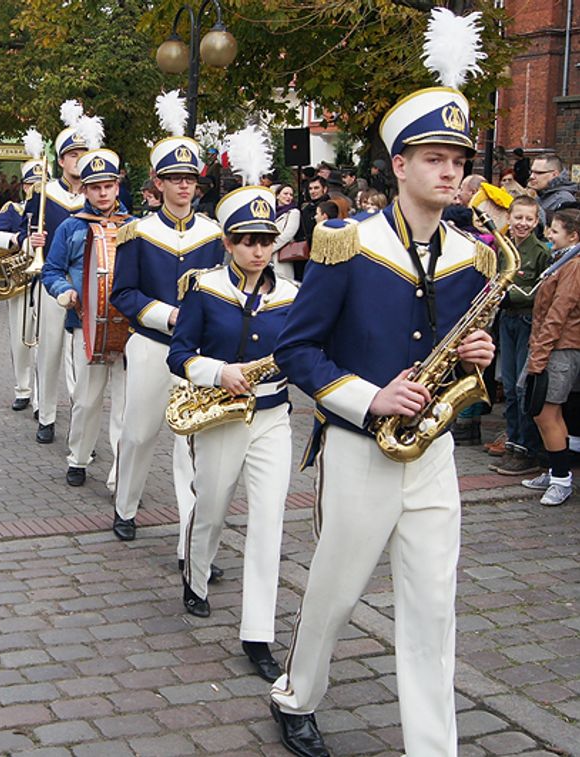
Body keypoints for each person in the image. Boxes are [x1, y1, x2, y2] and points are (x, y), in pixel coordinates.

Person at [269, 16, 496, 752]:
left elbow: (458, 354)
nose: (450, 172)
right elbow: (295, 350)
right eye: (434, 158)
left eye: (457, 160)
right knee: (334, 594)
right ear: (399, 165)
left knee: (434, 606)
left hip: (432, 455)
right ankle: (297, 693)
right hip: (360, 448)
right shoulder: (348, 243)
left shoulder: (473, 256)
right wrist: (369, 398)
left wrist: (477, 357)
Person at [167, 151, 299, 683]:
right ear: (227, 243)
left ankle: (258, 634)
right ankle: (195, 579)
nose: (258, 250)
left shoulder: (293, 293)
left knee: (269, 522)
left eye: (266, 240)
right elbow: (180, 353)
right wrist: (217, 372)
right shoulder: (205, 288)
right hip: (220, 415)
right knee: (214, 507)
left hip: (272, 417)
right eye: (247, 240)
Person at [110, 96, 225, 550]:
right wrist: (170, 313)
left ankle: (189, 543)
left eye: (189, 179)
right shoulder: (137, 233)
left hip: (198, 355)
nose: (183, 186)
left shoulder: (215, 235)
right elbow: (123, 293)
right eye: (174, 178)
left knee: (192, 447)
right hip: (152, 342)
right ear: (157, 183)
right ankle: (125, 506)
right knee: (139, 433)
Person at [41, 145, 132, 497]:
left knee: (126, 403)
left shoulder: (135, 227)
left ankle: (121, 472)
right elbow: (52, 270)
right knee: (87, 398)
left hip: (127, 327)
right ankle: (78, 457)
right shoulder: (70, 227)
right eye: (95, 187)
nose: (103, 193)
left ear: (118, 185)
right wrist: (65, 292)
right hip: (86, 325)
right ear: (84, 190)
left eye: (109, 185)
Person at [16, 106, 91, 444]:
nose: (78, 160)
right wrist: (32, 242)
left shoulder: (98, 195)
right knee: (49, 352)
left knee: (84, 358)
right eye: (72, 155)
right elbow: (26, 231)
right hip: (52, 282)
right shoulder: (44, 195)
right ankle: (46, 415)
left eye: (83, 154)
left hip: (89, 284)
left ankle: (80, 421)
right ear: (61, 161)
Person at [522, 208, 580, 506]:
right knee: (542, 412)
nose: (548, 235)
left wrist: (539, 356)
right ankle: (554, 469)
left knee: (547, 412)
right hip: (549, 346)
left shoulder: (573, 266)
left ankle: (561, 479)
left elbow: (559, 314)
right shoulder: (563, 261)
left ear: (574, 236)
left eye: (555, 231)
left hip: (560, 348)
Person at [0, 159, 47, 412]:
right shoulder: (14, 210)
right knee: (21, 340)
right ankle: (22, 389)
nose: (36, 189)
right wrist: (17, 239)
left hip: (47, 283)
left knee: (44, 343)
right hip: (20, 283)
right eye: (32, 184)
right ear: (24, 186)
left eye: (41, 184)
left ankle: (43, 399)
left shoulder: (56, 210)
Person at [491, 195, 550, 476]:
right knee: (510, 384)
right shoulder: (505, 247)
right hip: (507, 320)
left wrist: (503, 294)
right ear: (509, 219)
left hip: (527, 320)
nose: (523, 223)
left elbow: (538, 291)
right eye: (518, 218)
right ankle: (513, 442)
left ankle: (526, 447)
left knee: (521, 388)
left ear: (537, 222)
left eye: (529, 219)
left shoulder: (540, 251)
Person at [528, 154, 579, 224]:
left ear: (554, 175)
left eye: (539, 173)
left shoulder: (564, 200)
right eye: (531, 172)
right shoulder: (541, 195)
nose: (532, 176)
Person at [271, 184, 301, 281]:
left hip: (281, 254)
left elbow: (288, 234)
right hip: (268, 257)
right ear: (277, 195)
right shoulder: (271, 212)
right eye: (285, 194)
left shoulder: (293, 212)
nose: (288, 197)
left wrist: (270, 248)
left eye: (291, 195)